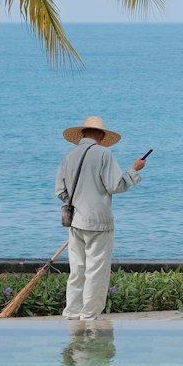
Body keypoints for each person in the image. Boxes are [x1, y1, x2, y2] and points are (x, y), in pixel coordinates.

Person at [56, 115, 146, 321]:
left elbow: (60, 191)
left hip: (76, 221)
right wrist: (134, 170)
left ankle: (72, 312)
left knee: (77, 269)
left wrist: (77, 201)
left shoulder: (69, 156)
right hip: (99, 222)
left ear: (82, 134)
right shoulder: (104, 154)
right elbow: (115, 186)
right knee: (96, 270)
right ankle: (88, 315)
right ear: (101, 135)